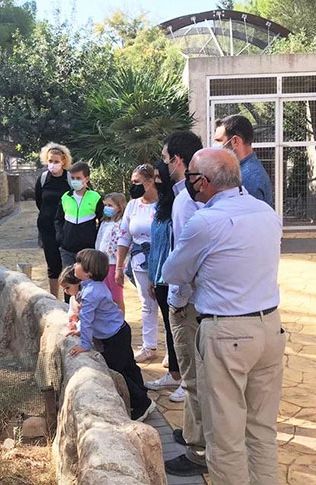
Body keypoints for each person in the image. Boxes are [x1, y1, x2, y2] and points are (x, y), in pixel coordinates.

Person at [163, 148, 284, 484]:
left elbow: (174, 272)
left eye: (191, 178)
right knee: (261, 430)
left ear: (202, 182)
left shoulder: (205, 221)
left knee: (225, 434)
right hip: (270, 328)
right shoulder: (266, 212)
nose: (189, 184)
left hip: (227, 332)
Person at [159, 131, 208, 477]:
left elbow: (187, 259)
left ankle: (199, 451)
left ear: (177, 160)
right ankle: (192, 432)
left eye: (164, 160)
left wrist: (177, 300)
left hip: (189, 303)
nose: (163, 166)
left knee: (193, 377)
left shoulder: (186, 201)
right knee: (195, 376)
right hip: (198, 302)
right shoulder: (187, 196)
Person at [68, 249, 156, 422]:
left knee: (115, 371)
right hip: (120, 330)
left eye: (78, 263)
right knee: (129, 366)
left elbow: (87, 319)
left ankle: (142, 403)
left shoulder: (91, 292)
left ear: (89, 272)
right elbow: (91, 319)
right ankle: (141, 393)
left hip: (114, 337)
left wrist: (84, 344)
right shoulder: (91, 286)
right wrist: (81, 330)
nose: (74, 265)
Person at [144, 160, 183, 398]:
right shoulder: (161, 207)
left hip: (173, 278)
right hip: (158, 277)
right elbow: (156, 245)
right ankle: (175, 374)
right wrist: (150, 276)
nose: (156, 181)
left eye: (160, 176)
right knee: (169, 328)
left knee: (179, 330)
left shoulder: (181, 205)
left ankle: (187, 381)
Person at [115, 163, 159, 363]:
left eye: (137, 182)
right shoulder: (133, 205)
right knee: (147, 303)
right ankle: (149, 345)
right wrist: (119, 265)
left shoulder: (164, 204)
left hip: (161, 260)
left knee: (169, 303)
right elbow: (124, 236)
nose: (133, 186)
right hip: (140, 261)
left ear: (149, 182)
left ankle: (175, 350)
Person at [54, 161, 104, 302]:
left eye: (78, 178)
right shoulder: (65, 197)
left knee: (86, 280)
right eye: (73, 178)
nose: (75, 181)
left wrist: (96, 238)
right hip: (67, 248)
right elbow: (58, 219)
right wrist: (60, 236)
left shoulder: (95, 197)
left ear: (86, 179)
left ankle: (86, 309)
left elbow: (103, 221)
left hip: (87, 249)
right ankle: (68, 310)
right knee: (68, 279)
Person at [35, 143, 72, 298]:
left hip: (66, 228)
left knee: (67, 264)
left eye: (56, 161)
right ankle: (53, 298)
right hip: (47, 228)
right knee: (52, 264)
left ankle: (69, 298)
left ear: (63, 161)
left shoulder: (70, 178)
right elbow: (39, 201)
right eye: (50, 161)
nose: (53, 164)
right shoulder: (43, 178)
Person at [214, 114, 273, 207]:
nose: (215, 145)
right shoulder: (242, 171)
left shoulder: (249, 177)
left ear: (235, 141)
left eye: (219, 140)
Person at [95, 192, 127, 313]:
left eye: (110, 205)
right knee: (105, 294)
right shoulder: (104, 223)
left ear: (119, 207)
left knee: (116, 296)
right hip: (102, 263)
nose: (107, 208)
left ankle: (120, 321)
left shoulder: (121, 224)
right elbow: (99, 241)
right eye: (106, 205)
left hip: (114, 263)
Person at [59, 265, 82, 335]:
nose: (65, 291)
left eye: (67, 287)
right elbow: (71, 312)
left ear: (78, 283)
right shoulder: (72, 298)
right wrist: (72, 317)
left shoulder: (86, 298)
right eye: (64, 289)